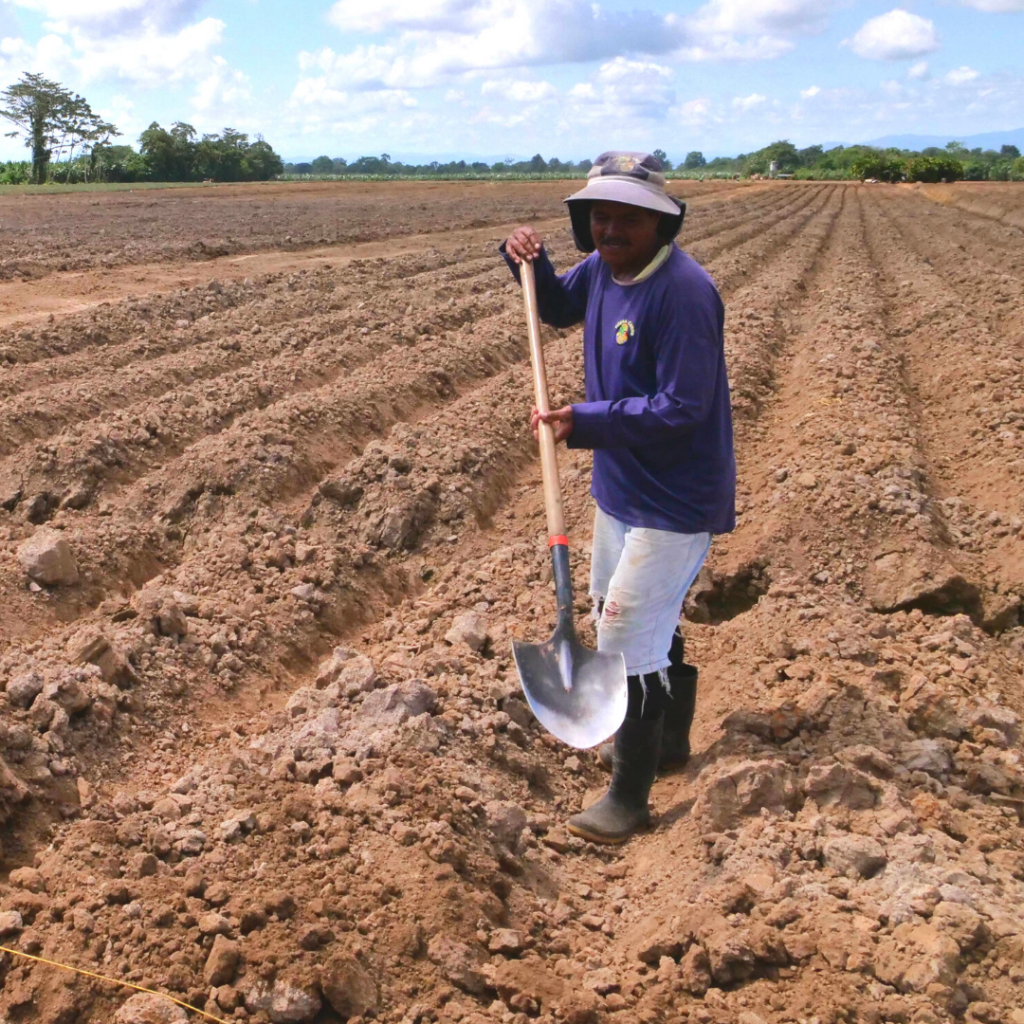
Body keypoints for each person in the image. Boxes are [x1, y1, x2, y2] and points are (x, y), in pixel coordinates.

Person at [501, 151, 736, 844]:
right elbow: (561, 307)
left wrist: (589, 421)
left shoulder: (686, 294)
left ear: (660, 224)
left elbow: (684, 406)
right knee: (633, 616)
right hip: (622, 485)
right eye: (599, 215)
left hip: (678, 496)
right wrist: (529, 264)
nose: (610, 229)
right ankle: (664, 743)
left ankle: (629, 798)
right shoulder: (603, 271)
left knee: (627, 629)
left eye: (627, 217)